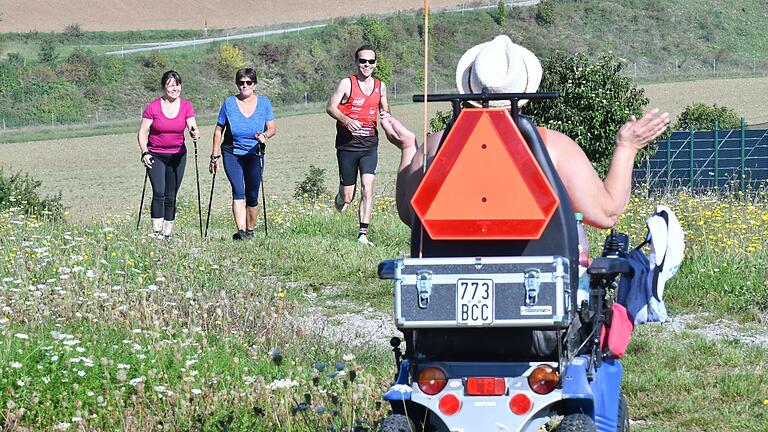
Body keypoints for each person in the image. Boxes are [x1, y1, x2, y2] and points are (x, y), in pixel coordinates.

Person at [380, 35, 670, 230]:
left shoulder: (435, 145)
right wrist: (627, 148)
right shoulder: (553, 146)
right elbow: (606, 214)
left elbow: (410, 215)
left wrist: (408, 148)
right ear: (525, 92)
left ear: (468, 89)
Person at [326, 44, 391, 245]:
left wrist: (387, 119)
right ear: (356, 63)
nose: (367, 65)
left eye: (371, 61)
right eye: (363, 61)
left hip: (370, 145)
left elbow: (385, 109)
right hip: (347, 146)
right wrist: (347, 121)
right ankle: (341, 195)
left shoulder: (381, 86)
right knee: (348, 197)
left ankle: (363, 233)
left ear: (375, 64)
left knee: (368, 187)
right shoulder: (347, 83)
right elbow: (330, 107)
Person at [209, 68, 277, 240]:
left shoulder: (264, 103)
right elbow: (218, 131)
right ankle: (240, 232)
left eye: (248, 82)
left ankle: (250, 230)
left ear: (254, 84)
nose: (244, 86)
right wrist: (214, 156)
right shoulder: (229, 103)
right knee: (238, 190)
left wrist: (264, 135)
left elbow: (272, 128)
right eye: (241, 82)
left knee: (252, 193)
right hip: (232, 152)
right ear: (237, 84)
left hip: (255, 152)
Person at [137, 69, 200, 239]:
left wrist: (195, 133)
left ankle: (167, 234)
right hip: (156, 155)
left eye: (177, 85)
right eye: (171, 85)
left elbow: (192, 126)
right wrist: (145, 152)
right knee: (159, 191)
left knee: (171, 195)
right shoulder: (153, 107)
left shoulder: (186, 106)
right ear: (164, 87)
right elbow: (142, 132)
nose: (175, 88)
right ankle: (156, 231)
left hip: (178, 156)